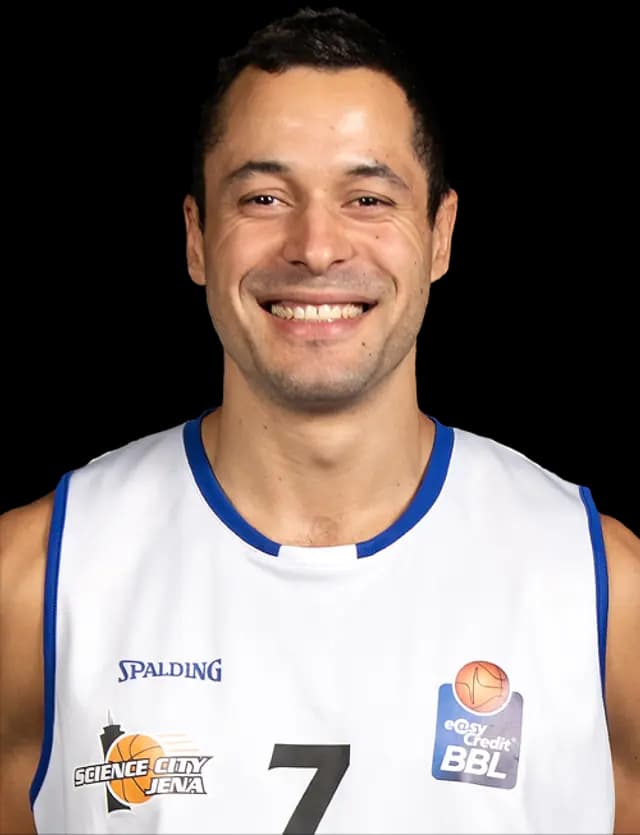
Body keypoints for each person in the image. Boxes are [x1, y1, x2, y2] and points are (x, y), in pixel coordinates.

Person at [1, 6, 638, 834]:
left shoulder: (602, 588)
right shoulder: (33, 582)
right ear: (196, 236)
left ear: (440, 235)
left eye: (368, 197)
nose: (317, 246)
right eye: (264, 197)